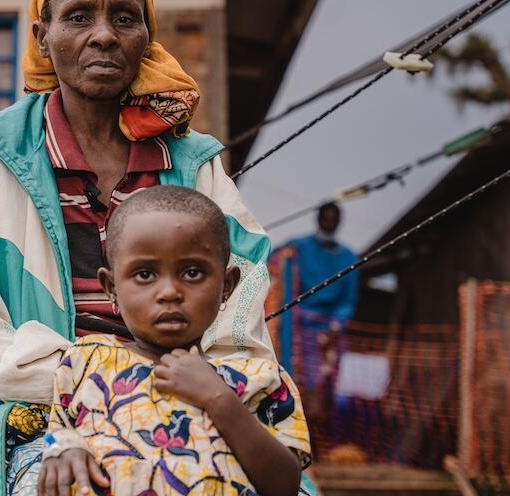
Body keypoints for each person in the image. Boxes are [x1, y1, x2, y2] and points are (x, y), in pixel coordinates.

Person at [0, 0, 284, 496]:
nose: (105, 35)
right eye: (79, 17)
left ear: (146, 37)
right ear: (42, 38)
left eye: (124, 18)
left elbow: (242, 309)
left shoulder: (193, 162)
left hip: (185, 402)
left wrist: (185, 394)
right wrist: (104, 390)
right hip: (34, 414)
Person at [38, 186, 311, 496]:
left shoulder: (261, 377)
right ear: (111, 287)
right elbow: (59, 434)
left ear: (227, 285)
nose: (169, 291)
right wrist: (65, 450)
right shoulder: (85, 361)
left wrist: (219, 399)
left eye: (192, 272)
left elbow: (285, 486)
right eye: (144, 274)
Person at [274, 202, 359, 388]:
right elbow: (272, 264)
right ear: (318, 220)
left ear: (339, 222)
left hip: (332, 332)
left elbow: (349, 299)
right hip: (297, 329)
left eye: (333, 220)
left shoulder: (349, 258)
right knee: (296, 380)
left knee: (327, 385)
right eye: (326, 219)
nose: (329, 224)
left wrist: (336, 325)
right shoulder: (296, 248)